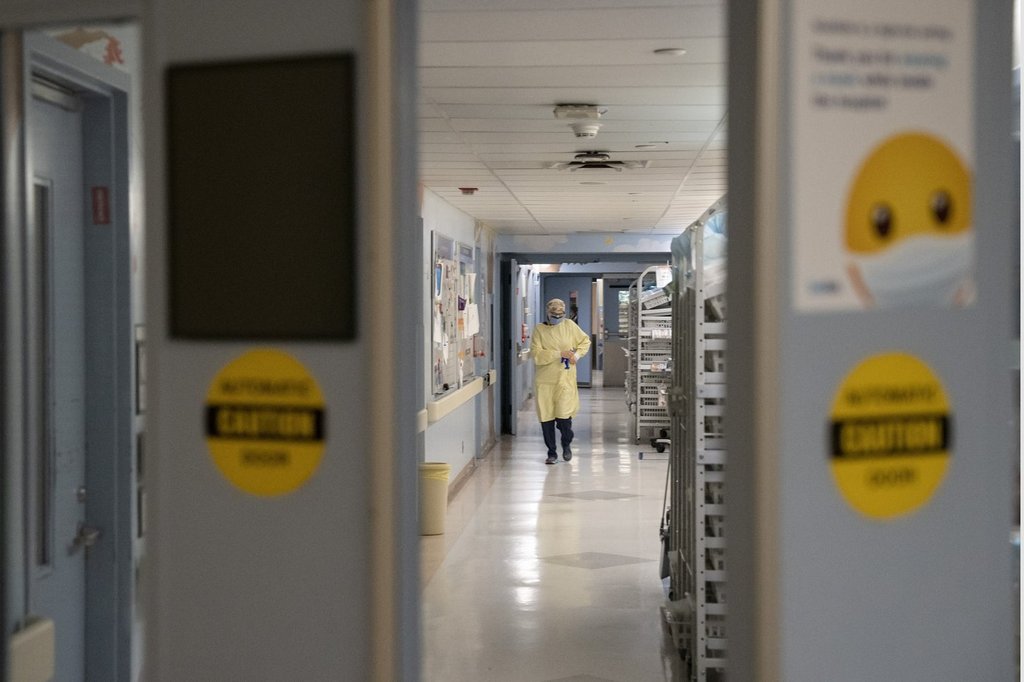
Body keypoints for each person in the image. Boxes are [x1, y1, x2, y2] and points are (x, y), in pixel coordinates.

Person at [530, 298, 591, 465]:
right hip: (545, 382)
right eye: (554, 314)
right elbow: (536, 355)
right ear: (548, 313)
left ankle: (566, 444)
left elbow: (585, 341)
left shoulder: (569, 326)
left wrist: (576, 355)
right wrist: (559, 354)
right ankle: (551, 452)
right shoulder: (539, 330)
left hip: (564, 380)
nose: (557, 317)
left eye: (560, 314)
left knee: (564, 419)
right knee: (546, 418)